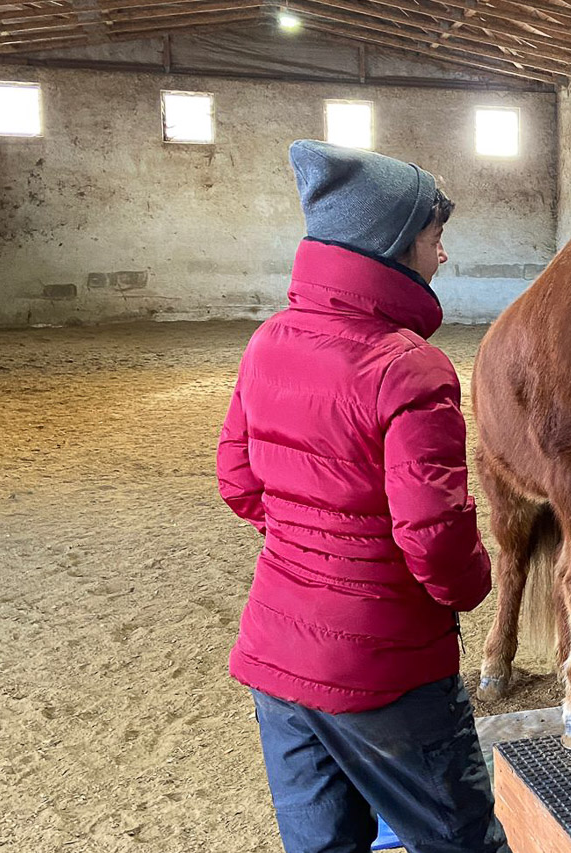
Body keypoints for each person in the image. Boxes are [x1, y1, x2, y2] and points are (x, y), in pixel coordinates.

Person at [216, 140, 508, 853]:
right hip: (387, 665)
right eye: (435, 239)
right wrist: (473, 583)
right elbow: (433, 537)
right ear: (390, 245)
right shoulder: (411, 369)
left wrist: (312, 540)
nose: (442, 256)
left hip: (277, 655)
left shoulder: (268, 341)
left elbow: (237, 479)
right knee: (461, 842)